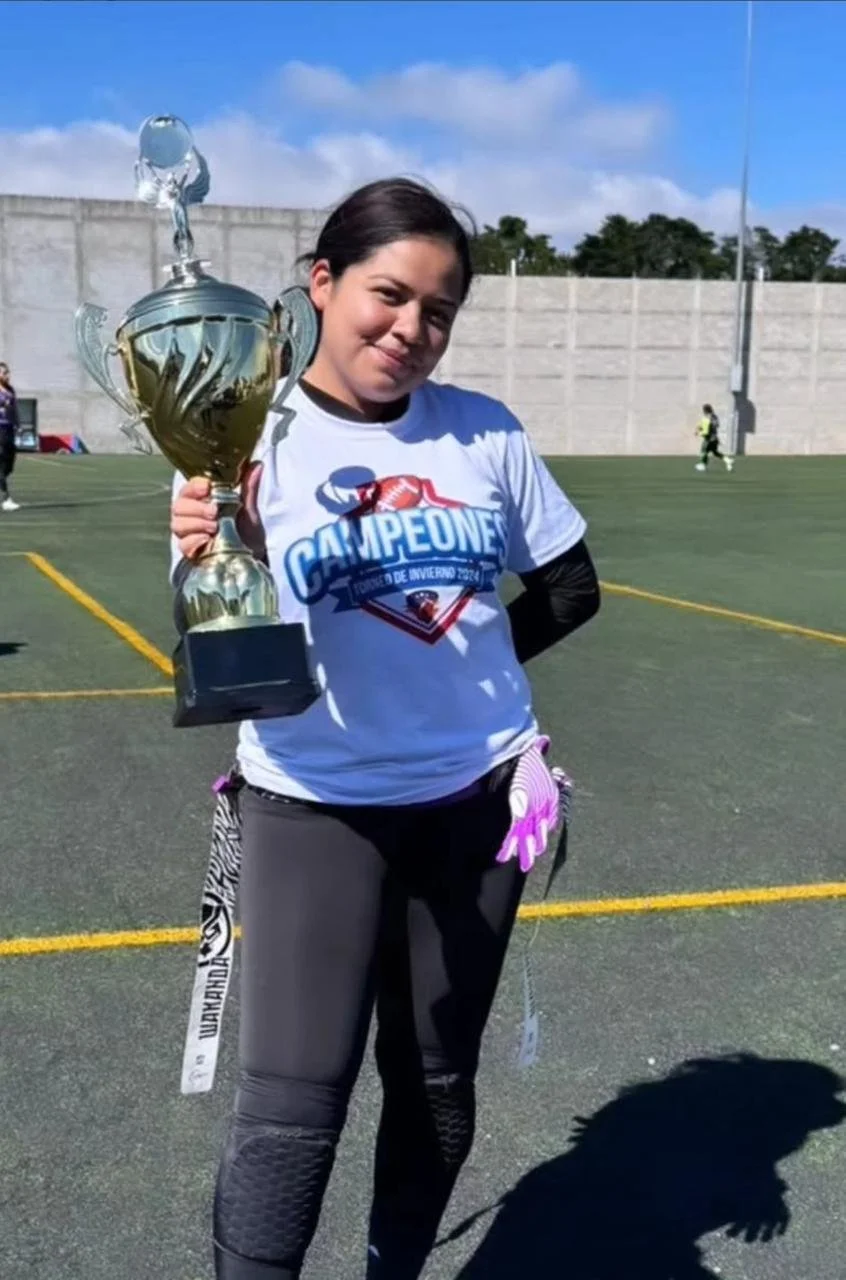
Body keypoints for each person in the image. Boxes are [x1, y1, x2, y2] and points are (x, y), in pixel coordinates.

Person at [169, 177, 601, 1280]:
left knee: (435, 1081)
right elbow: (219, 657)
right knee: (289, 1108)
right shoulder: (238, 436)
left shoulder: (485, 431)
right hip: (312, 805)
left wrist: (468, 690)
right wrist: (221, 553)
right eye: (389, 295)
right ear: (322, 283)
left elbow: (570, 589)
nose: (412, 328)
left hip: (476, 807)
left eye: (439, 310)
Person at [0, 361, 20, 511]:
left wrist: (17, 424)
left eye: (8, 372)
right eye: (4, 373)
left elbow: (13, 409)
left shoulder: (10, 390)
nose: (7, 375)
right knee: (0, 463)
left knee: (9, 464)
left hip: (9, 430)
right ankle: (6, 498)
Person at [695, 403, 733, 473]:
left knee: (703, 451)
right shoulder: (715, 417)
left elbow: (705, 432)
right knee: (715, 452)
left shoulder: (706, 418)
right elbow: (717, 425)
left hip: (708, 439)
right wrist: (701, 426)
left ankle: (703, 465)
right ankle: (727, 460)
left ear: (705, 411)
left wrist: (698, 433)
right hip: (715, 438)